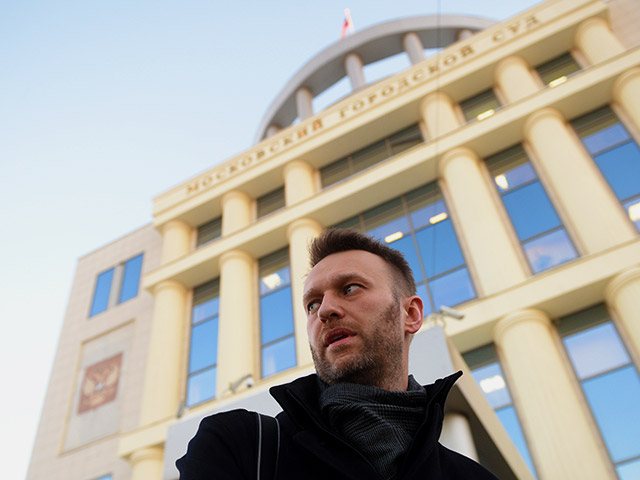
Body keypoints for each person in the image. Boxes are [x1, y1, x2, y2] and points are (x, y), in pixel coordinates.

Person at [176, 229, 498, 479]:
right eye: (312, 304)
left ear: (410, 314)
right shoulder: (238, 445)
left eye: (350, 288)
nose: (325, 310)